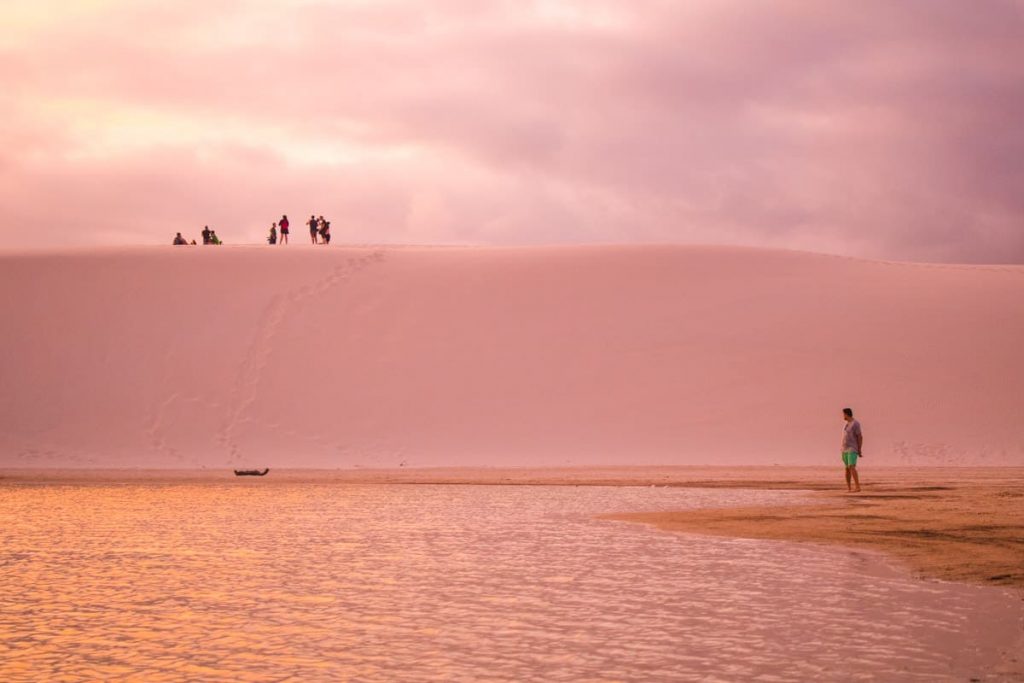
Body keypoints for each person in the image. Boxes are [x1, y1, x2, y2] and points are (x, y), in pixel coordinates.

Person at [841, 407, 863, 492]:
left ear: (847, 414)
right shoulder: (846, 424)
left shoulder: (855, 423)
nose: (843, 416)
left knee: (851, 466)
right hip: (844, 449)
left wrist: (859, 449)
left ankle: (858, 487)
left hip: (852, 448)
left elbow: (860, 436)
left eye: (843, 414)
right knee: (847, 468)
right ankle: (849, 488)